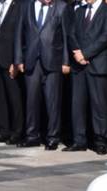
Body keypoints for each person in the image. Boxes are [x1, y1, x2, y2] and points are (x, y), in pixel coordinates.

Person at [17, 0, 72, 148]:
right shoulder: (25, 6)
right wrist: (18, 59)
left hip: (53, 61)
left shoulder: (62, 7)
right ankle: (32, 136)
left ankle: (53, 137)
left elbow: (67, 36)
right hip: (31, 61)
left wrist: (66, 62)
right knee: (31, 101)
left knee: (52, 102)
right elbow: (19, 33)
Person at [65, 0, 107, 153]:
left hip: (97, 65)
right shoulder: (80, 10)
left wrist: (86, 54)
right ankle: (79, 140)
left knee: (99, 105)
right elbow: (71, 33)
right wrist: (77, 53)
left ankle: (100, 141)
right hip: (79, 66)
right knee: (77, 104)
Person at [0, 0, 26, 144]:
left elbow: (22, 35)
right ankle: (3, 130)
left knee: (14, 98)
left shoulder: (20, 5)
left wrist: (16, 61)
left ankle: (17, 132)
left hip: (10, 61)